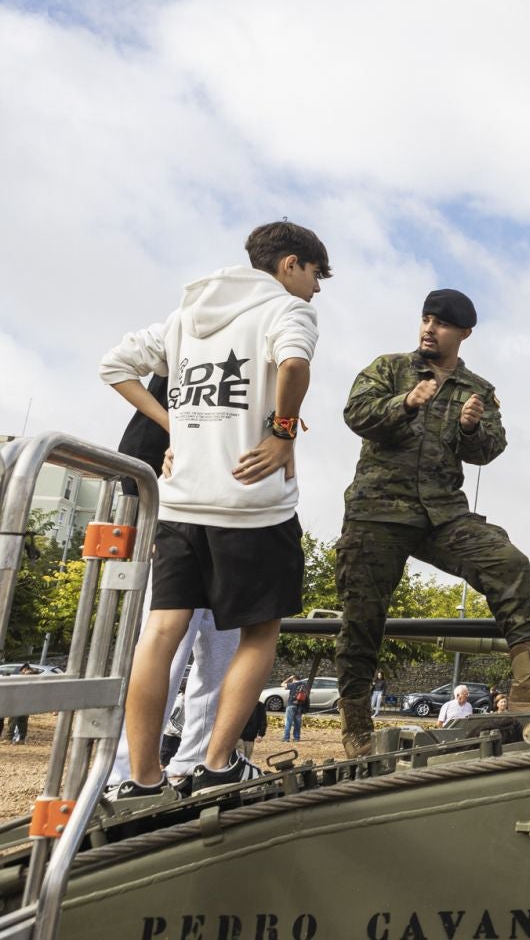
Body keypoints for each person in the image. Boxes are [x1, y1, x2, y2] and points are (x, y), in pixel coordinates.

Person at [99, 219, 326, 797]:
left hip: (181, 503)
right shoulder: (285, 310)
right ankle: (218, 762)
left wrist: (174, 423)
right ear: (290, 264)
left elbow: (114, 365)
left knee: (161, 633)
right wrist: (280, 433)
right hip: (252, 506)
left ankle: (142, 778)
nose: (318, 288)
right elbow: (295, 364)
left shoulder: (184, 319)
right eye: (316, 274)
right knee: (260, 631)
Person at [334, 288, 530, 760]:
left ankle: (529, 681)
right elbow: (357, 415)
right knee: (363, 619)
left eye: (442, 323)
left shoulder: (478, 389)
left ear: (464, 333)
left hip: (440, 514)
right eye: (426, 319)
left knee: (507, 561)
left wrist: (471, 428)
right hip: (378, 512)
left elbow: (489, 448)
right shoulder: (389, 369)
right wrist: (406, 402)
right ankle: (356, 728)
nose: (430, 328)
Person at [106, 379, 244, 789]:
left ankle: (193, 761)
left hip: (229, 525)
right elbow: (137, 448)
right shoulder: (184, 358)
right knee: (166, 646)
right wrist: (139, 522)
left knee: (220, 652)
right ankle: (126, 770)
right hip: (173, 525)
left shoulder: (252, 360)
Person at [6, 664, 36, 743]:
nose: (21, 673)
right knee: (23, 721)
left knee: (13, 720)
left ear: (24, 669)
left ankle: (9, 738)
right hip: (27, 703)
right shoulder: (35, 677)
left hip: (18, 702)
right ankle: (22, 739)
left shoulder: (26, 677)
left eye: (22, 671)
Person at [281, 674, 307, 741]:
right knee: (297, 723)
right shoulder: (304, 685)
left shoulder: (293, 685)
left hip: (291, 705)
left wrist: (289, 678)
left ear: (293, 679)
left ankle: (286, 738)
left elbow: (282, 684)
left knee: (288, 722)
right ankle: (297, 738)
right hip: (300, 706)